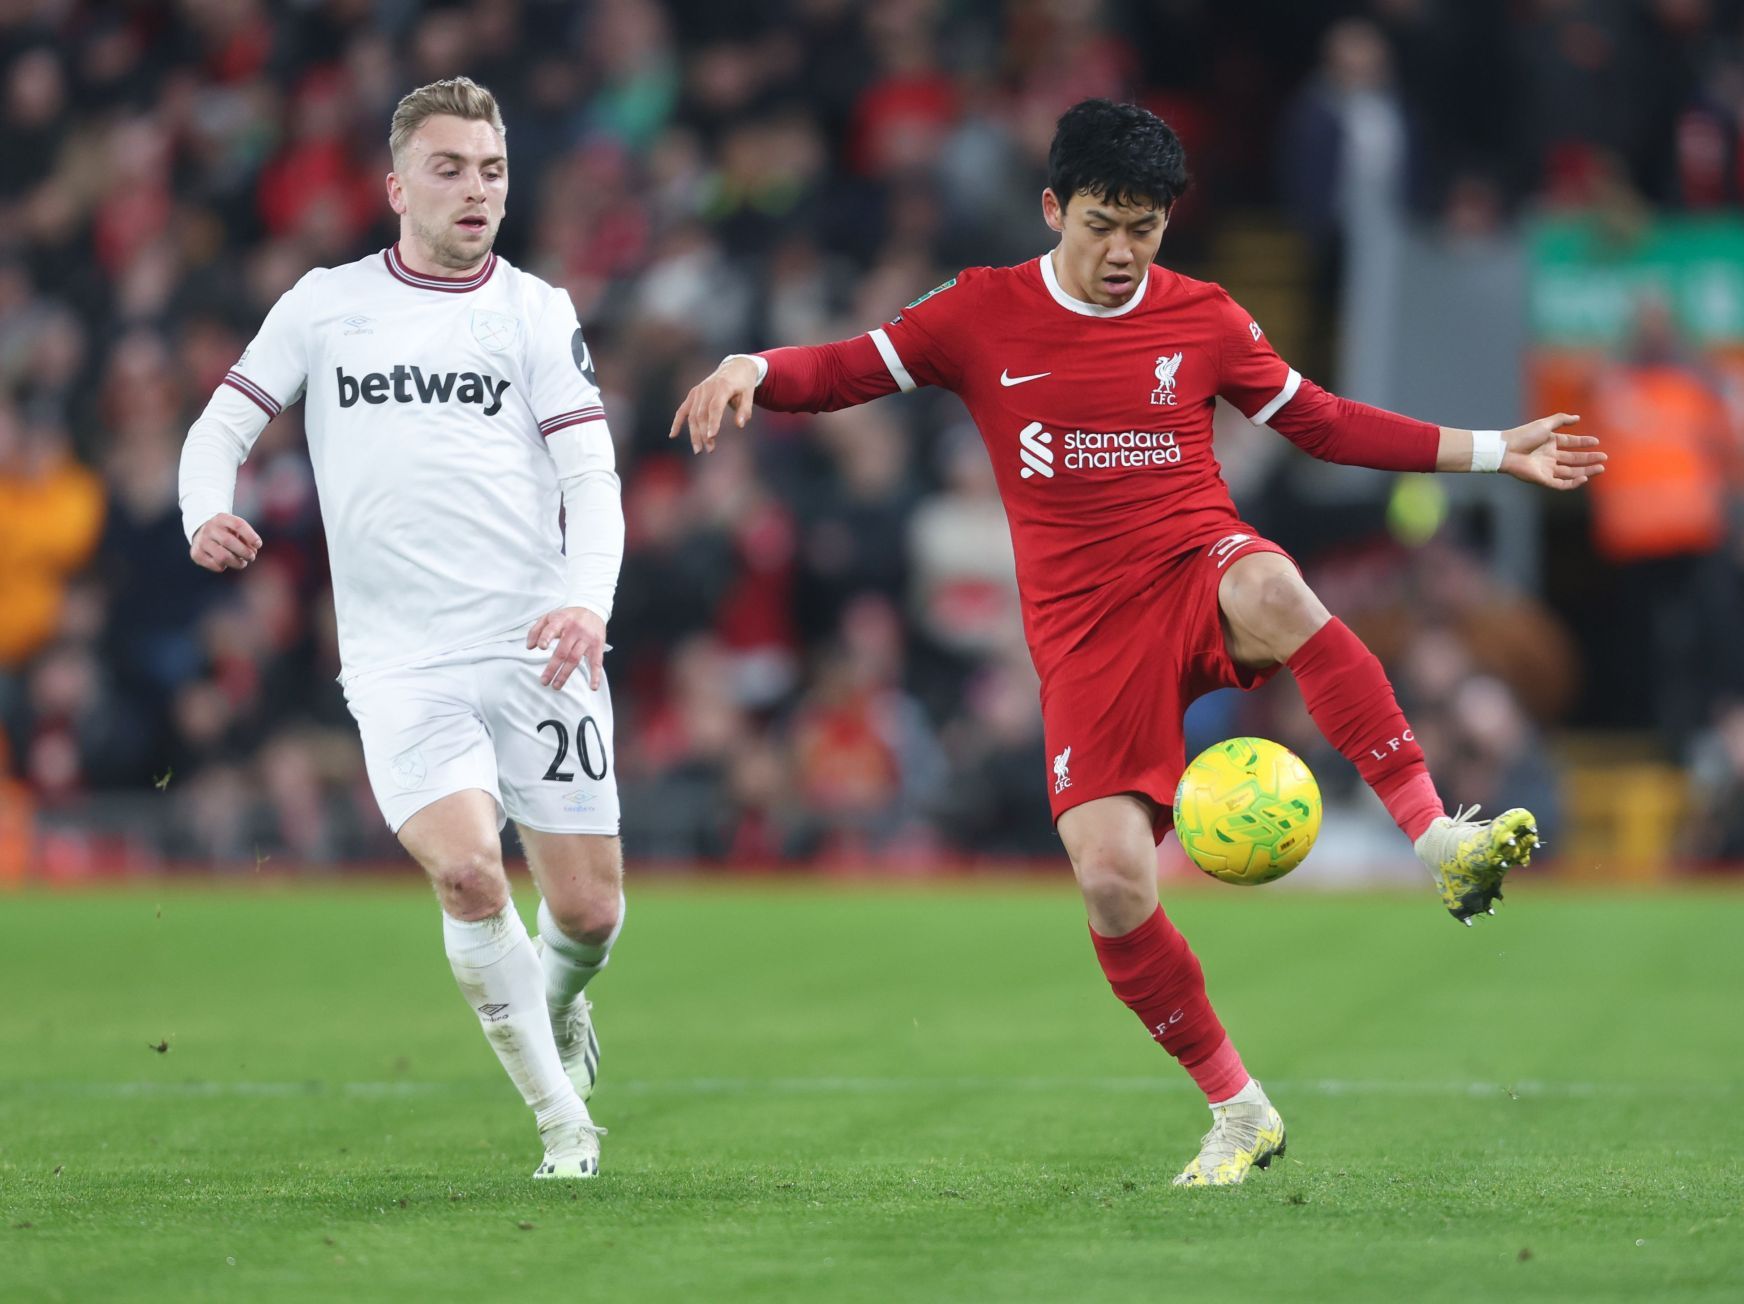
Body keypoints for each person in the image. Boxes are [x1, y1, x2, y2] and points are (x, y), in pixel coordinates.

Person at [671, 99, 1604, 1186]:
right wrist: (754, 365)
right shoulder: (980, 312)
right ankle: (1239, 1108)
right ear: (1052, 207)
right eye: (1103, 224)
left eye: (1147, 229)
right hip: (1084, 636)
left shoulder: (1204, 316)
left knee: (1277, 583)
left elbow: (1323, 419)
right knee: (1114, 883)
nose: (1123, 252)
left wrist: (1497, 450)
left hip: (1195, 565)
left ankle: (1438, 837)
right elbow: (849, 367)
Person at [177, 78, 625, 1180]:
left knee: (589, 908)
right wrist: (206, 511)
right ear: (396, 185)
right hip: (400, 662)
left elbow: (593, 475)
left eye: (493, 170)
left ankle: (557, 1000)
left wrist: (586, 600)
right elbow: (219, 425)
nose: (478, 190)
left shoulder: (533, 309)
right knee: (472, 874)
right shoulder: (325, 304)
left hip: (537, 648)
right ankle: (564, 1121)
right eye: (451, 168)